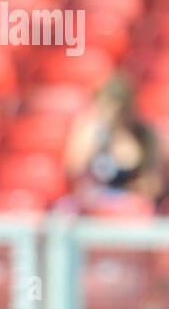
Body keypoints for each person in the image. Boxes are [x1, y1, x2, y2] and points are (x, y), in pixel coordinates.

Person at [59, 74, 164, 213]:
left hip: (131, 207)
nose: (113, 117)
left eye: (119, 111)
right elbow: (73, 169)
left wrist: (123, 196)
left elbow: (153, 186)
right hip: (93, 203)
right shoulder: (90, 130)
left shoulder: (145, 135)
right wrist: (91, 134)